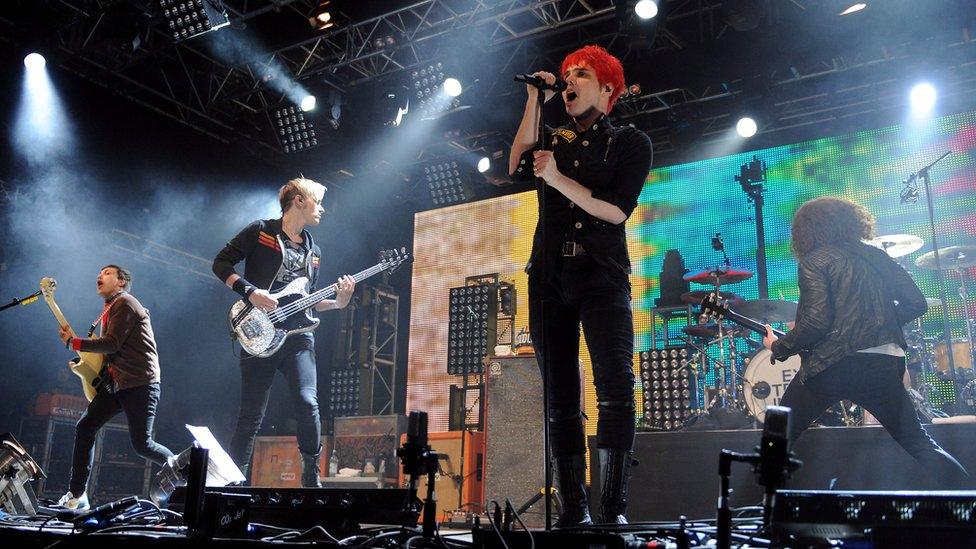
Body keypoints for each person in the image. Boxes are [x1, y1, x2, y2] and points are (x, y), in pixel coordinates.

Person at [508, 45, 653, 526]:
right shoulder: (559, 136)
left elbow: (615, 210)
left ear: (608, 87)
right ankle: (574, 511)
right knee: (560, 398)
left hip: (601, 275)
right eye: (566, 76)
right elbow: (516, 161)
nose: (569, 82)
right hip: (548, 277)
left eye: (581, 75)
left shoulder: (630, 142)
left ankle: (612, 511)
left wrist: (557, 179)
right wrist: (535, 97)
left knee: (615, 389)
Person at [763, 197, 970, 488]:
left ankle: (764, 513)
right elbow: (917, 303)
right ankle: (969, 501)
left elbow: (816, 322)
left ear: (806, 231)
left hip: (833, 365)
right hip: (883, 363)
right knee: (919, 443)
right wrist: (879, 323)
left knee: (777, 436)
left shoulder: (816, 261)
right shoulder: (878, 256)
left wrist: (779, 346)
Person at [212, 177, 354, 487]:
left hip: (298, 336)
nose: (323, 209)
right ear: (299, 201)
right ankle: (235, 484)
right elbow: (221, 263)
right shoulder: (260, 231)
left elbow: (310, 301)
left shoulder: (315, 250)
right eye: (318, 201)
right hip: (258, 334)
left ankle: (310, 474)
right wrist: (250, 292)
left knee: (307, 401)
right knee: (250, 415)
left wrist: (340, 302)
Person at [56, 265, 175, 509]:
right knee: (85, 427)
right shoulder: (110, 308)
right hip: (118, 384)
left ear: (121, 282)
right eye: (99, 272)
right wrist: (84, 360)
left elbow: (111, 343)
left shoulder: (126, 303)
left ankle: (187, 468)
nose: (100, 275)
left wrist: (74, 342)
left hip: (141, 384)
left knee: (143, 445)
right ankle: (77, 495)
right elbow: (113, 352)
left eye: (107, 273)